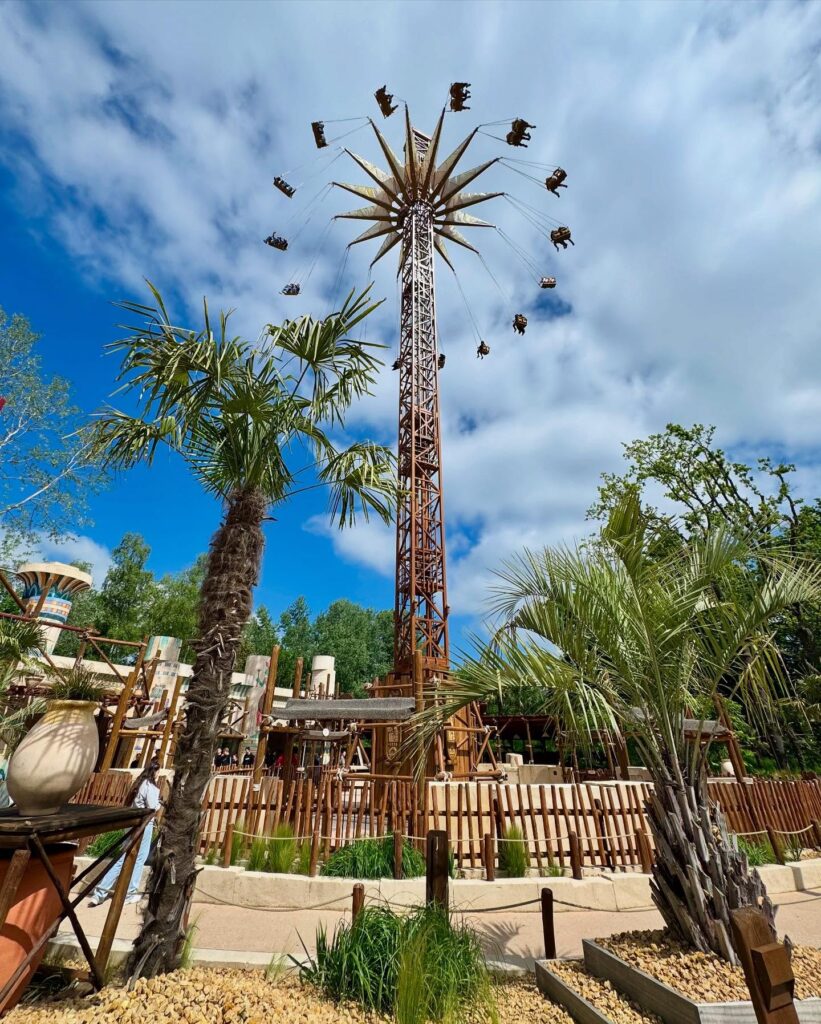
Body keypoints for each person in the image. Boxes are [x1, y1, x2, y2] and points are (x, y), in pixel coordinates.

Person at [89, 761, 161, 907]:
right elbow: (153, 808)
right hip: (144, 824)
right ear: (155, 772)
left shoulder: (137, 784)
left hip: (131, 824)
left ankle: (100, 893)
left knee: (121, 857)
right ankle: (130, 893)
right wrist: (160, 804)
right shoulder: (151, 787)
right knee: (140, 858)